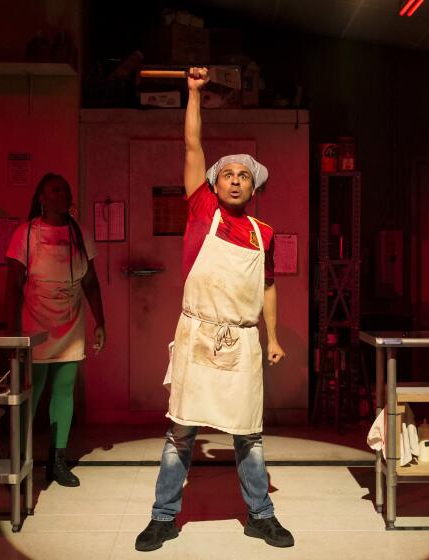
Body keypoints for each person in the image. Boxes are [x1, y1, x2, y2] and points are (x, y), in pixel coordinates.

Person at [134, 67, 293, 552]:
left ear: (254, 187)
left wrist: (273, 336)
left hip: (243, 339)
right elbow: (191, 146)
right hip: (199, 334)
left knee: (249, 434)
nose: (236, 181)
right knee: (182, 431)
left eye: (244, 176)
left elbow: (267, 287)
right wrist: (194, 94)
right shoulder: (203, 211)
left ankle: (259, 515)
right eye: (227, 174)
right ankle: (163, 517)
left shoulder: (263, 233)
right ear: (214, 184)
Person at [6, 172, 105, 487]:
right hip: (35, 322)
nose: (61, 193)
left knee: (64, 390)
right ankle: (21, 459)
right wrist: (12, 331)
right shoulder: (26, 233)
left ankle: (57, 460)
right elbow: (12, 284)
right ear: (41, 198)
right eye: (54, 189)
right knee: (31, 393)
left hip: (70, 319)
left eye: (64, 189)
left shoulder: (80, 233)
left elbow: (90, 281)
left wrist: (101, 322)